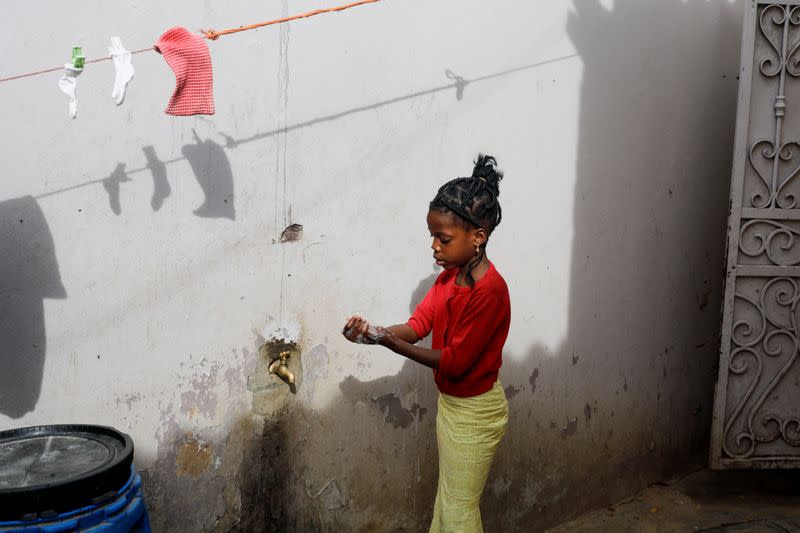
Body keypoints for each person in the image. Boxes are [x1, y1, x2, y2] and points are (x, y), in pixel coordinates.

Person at [343, 154, 511, 532]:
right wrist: (373, 334)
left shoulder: (489, 293)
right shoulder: (449, 278)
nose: (434, 246)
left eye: (444, 238)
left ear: (478, 237)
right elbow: (419, 325)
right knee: (448, 506)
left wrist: (386, 341)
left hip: (476, 413)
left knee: (459, 511)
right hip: (454, 406)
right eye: (432, 236)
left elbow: (453, 362)